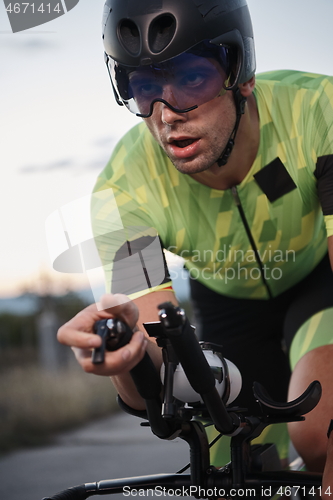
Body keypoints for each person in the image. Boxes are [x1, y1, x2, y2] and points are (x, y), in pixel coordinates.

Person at [57, 0, 333, 492]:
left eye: (191, 79)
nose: (166, 116)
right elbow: (156, 383)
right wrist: (130, 354)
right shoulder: (122, 192)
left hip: (319, 284)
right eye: (144, 86)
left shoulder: (318, 111)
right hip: (226, 309)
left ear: (241, 73)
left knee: (319, 435)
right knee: (230, 468)